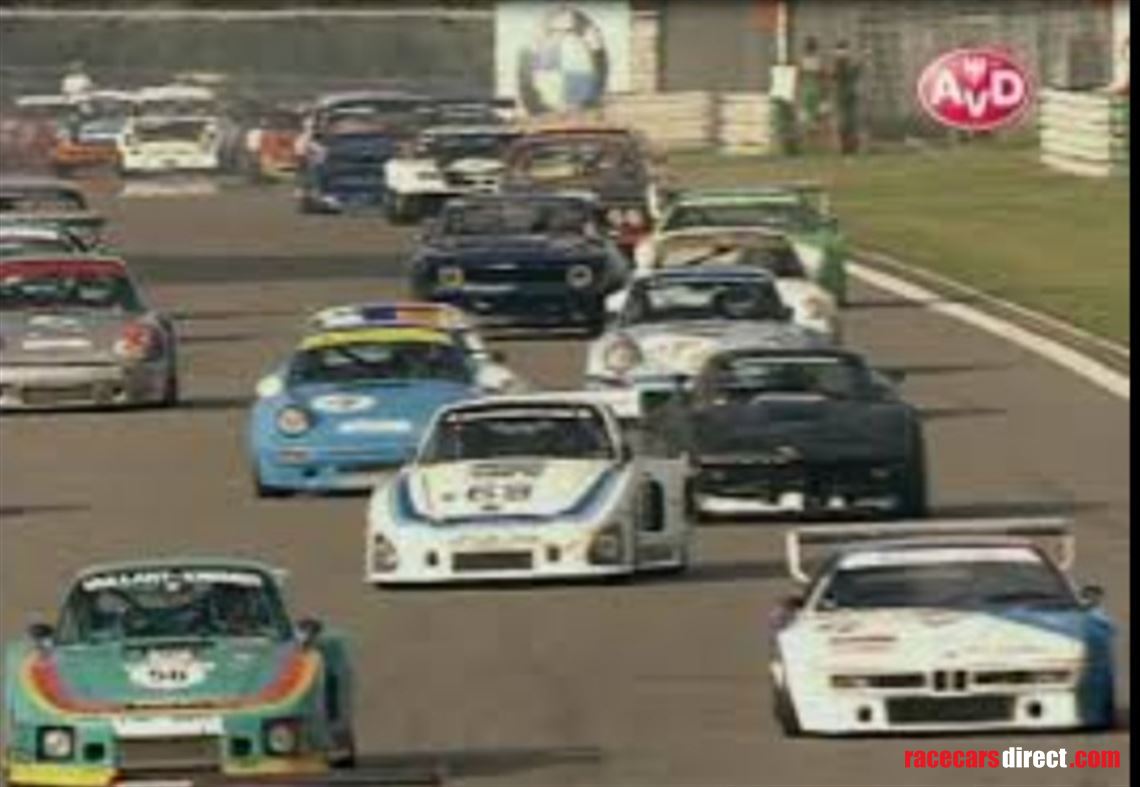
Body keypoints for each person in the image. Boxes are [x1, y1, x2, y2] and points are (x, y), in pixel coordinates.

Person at [830, 41, 862, 155]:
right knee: (848, 122)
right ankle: (848, 147)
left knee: (846, 122)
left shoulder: (839, 64)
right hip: (847, 95)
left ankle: (847, 147)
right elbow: (853, 73)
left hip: (843, 95)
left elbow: (835, 77)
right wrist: (860, 62)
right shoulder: (843, 64)